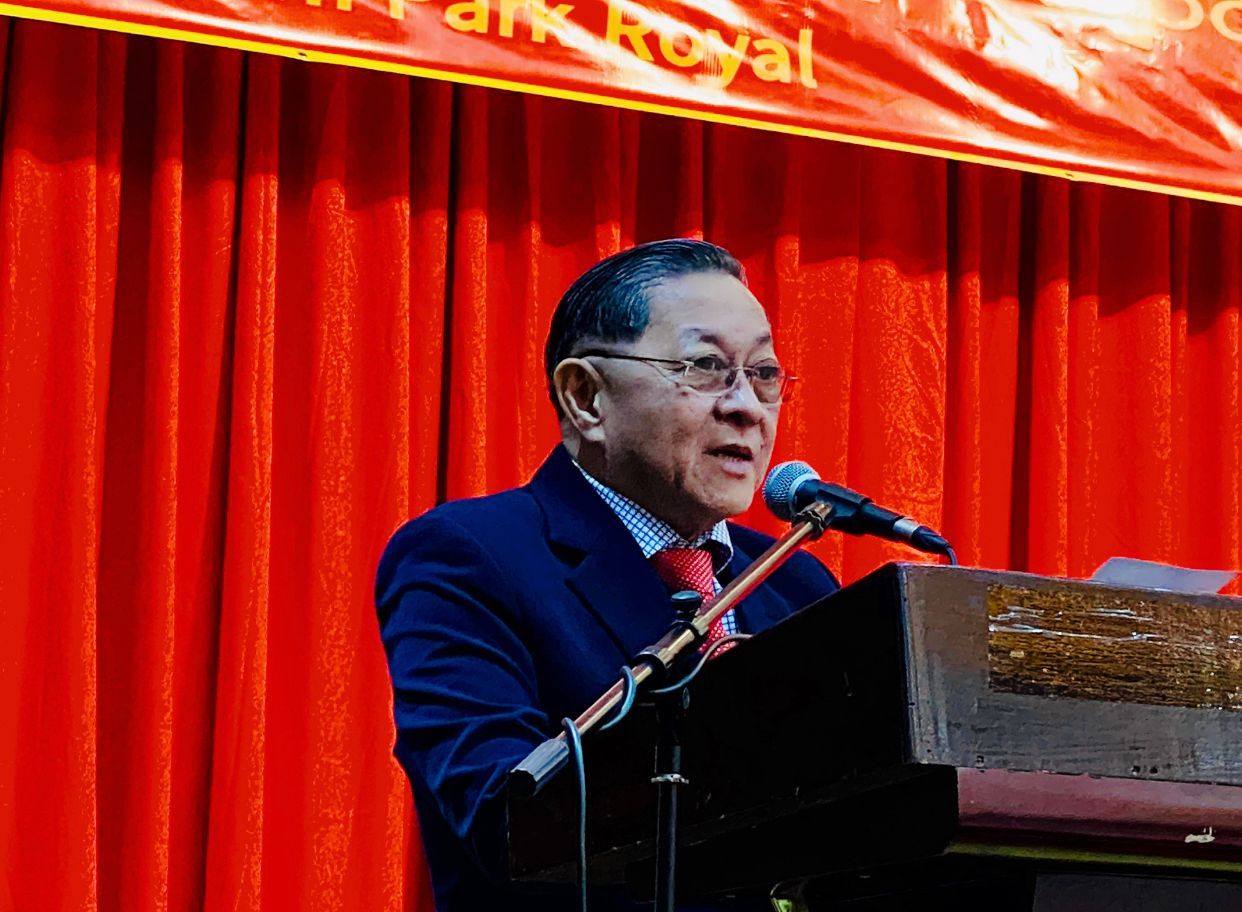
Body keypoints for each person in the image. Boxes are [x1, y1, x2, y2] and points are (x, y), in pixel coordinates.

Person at [376, 239, 840, 912]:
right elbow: (504, 817)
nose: (748, 406)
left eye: (764, 373)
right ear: (585, 396)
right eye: (707, 367)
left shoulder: (795, 584)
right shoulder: (468, 556)